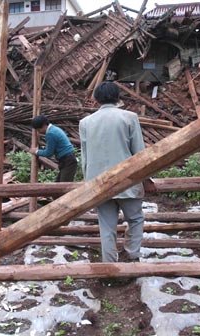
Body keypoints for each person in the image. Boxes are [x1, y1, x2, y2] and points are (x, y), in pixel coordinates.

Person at [79, 82, 156, 263]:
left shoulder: (86, 123)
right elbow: (139, 152)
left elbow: (85, 158)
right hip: (127, 180)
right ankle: (132, 254)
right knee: (135, 219)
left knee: (106, 226)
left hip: (99, 182)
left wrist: (88, 184)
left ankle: (109, 262)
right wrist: (146, 179)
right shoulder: (129, 118)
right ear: (117, 97)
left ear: (96, 99)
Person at [30, 115, 77, 182]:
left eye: (38, 129)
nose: (39, 132)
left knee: (63, 187)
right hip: (67, 160)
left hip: (67, 160)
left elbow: (49, 153)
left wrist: (36, 151)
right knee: (58, 184)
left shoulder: (50, 133)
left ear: (43, 126)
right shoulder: (54, 129)